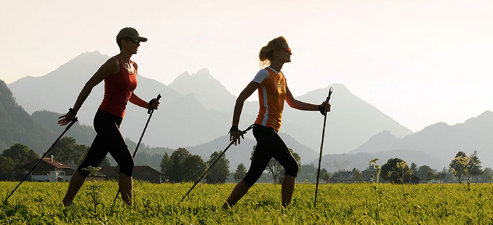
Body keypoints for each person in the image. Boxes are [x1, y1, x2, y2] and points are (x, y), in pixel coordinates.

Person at [224, 36, 331, 208]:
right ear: (275, 52)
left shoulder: (281, 77)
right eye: (286, 50)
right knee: (292, 166)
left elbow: (293, 103)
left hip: (271, 130)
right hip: (263, 128)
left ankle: (225, 208)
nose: (290, 53)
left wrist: (319, 107)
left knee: (253, 175)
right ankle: (285, 210)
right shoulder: (264, 73)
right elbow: (241, 98)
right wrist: (235, 127)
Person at [58, 27, 160, 206]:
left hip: (116, 121)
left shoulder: (133, 66)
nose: (138, 44)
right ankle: (129, 209)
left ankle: (66, 203)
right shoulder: (113, 63)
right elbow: (89, 84)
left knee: (89, 163)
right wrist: (74, 111)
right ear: (123, 42)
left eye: (139, 41)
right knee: (127, 162)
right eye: (135, 41)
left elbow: (129, 94)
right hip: (104, 119)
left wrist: (148, 105)